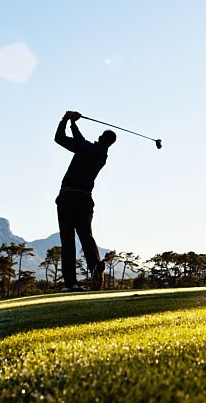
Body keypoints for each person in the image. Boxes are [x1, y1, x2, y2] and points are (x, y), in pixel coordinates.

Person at [54, 110, 116, 291]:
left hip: (68, 197)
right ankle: (95, 266)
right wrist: (74, 125)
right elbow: (81, 142)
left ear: (101, 138)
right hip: (85, 199)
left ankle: (71, 283)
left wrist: (66, 119)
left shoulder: (87, 148)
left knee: (67, 239)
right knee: (86, 235)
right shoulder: (101, 154)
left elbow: (59, 138)